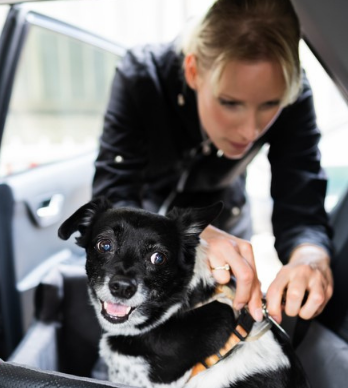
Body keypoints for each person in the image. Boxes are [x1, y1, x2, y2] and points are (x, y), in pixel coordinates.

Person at [93, 0, 333, 324]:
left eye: (270, 105)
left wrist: (311, 258)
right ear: (193, 72)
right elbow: (113, 193)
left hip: (227, 221)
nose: (251, 130)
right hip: (143, 226)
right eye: (230, 102)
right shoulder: (142, 78)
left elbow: (301, 199)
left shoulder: (295, 94)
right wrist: (185, 237)